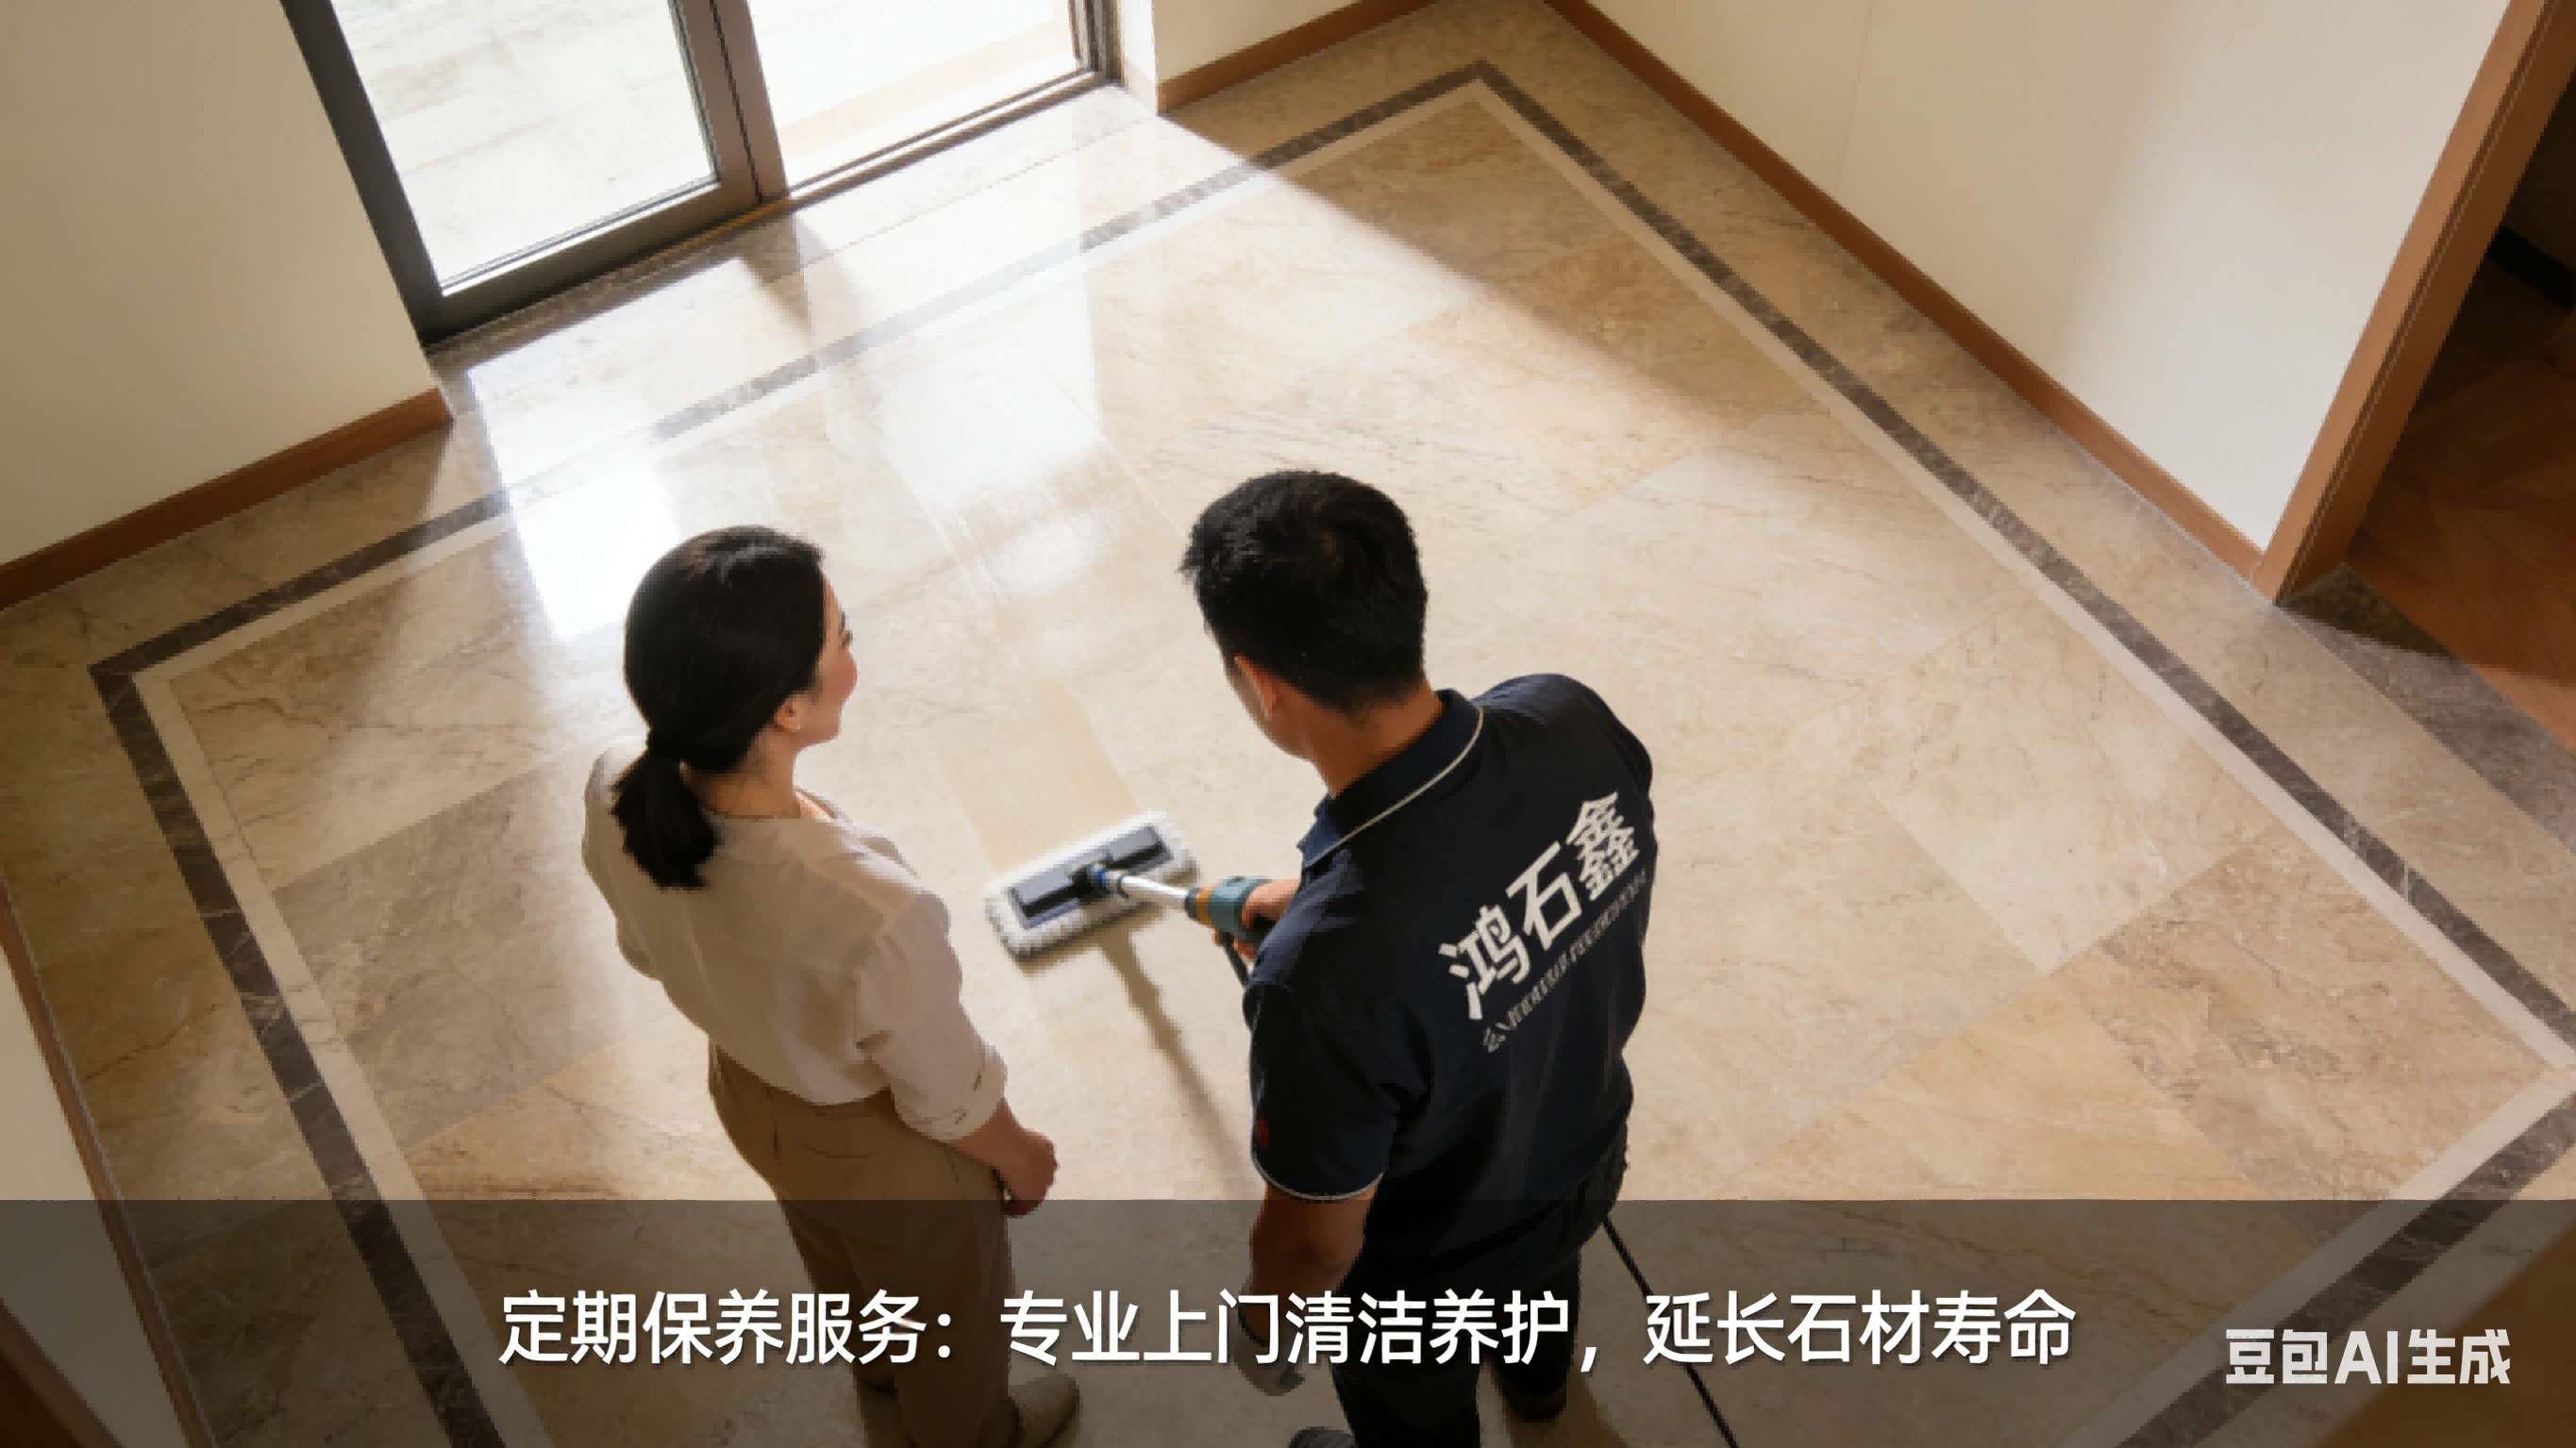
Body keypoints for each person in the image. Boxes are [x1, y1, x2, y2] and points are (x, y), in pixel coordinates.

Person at [1180, 473, 1656, 1448]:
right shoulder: (1568, 719)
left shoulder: (1319, 985)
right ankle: (1541, 1397)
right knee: (1544, 1283)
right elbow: (1486, 861)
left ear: (1260, 679)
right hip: (1581, 1162)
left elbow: (1312, 1243)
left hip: (1429, 1285)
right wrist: (1327, 901)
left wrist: (1267, 1333)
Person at [578, 525, 1077, 1448]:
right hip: (886, 1151)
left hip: (750, 1092)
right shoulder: (868, 909)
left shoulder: (615, 783)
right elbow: (946, 1090)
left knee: (838, 1247)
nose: (854, 655)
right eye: (842, 638)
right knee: (952, 1318)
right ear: (786, 710)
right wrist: (1018, 1153)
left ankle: (880, 1371)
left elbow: (645, 949)